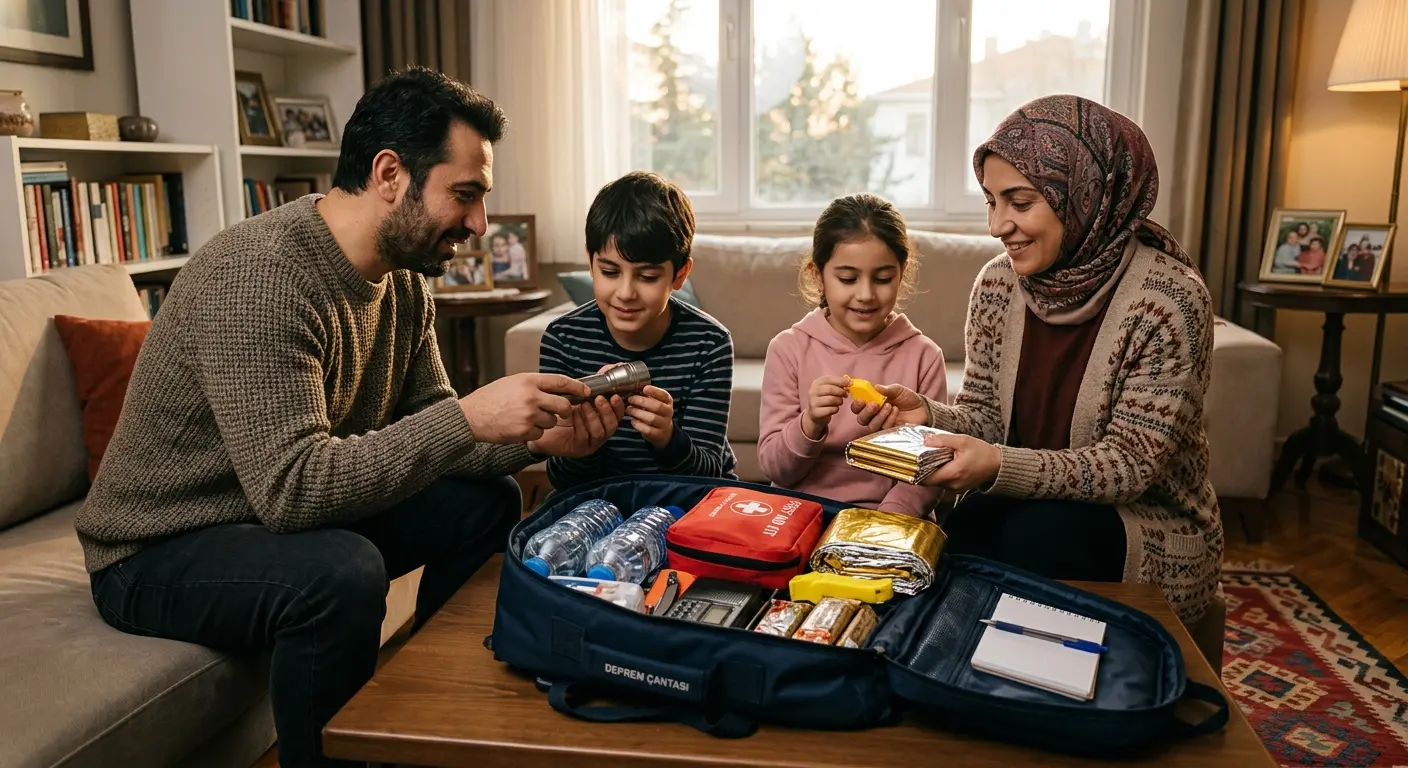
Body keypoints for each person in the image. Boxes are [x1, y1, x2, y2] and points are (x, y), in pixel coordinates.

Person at [74, 66, 623, 768]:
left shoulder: (400, 282)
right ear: (390, 173)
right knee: (341, 571)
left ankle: (435, 720)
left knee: (486, 500)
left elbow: (433, 431)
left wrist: (535, 436)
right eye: (466, 195)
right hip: (158, 548)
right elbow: (294, 490)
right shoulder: (260, 279)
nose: (480, 224)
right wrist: (470, 418)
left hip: (258, 518)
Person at [852, 94, 1223, 623]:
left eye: (1020, 203)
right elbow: (985, 418)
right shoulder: (998, 285)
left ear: (1084, 195)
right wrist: (928, 415)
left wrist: (998, 464)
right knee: (961, 531)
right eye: (991, 201)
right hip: (1032, 504)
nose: (997, 225)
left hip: (1146, 523)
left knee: (1027, 540)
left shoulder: (1168, 301)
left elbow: (1128, 467)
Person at [538, 171, 737, 491]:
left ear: (680, 274)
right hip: (596, 496)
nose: (626, 292)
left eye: (646, 277)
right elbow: (561, 477)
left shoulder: (708, 343)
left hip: (683, 497)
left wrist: (667, 439)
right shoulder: (563, 339)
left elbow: (708, 474)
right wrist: (586, 444)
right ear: (591, 264)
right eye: (610, 272)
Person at [758, 194, 946, 518]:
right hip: (801, 516)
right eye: (847, 279)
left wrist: (880, 524)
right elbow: (776, 468)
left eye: (883, 278)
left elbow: (931, 474)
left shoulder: (924, 356)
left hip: (891, 519)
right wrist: (809, 423)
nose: (866, 294)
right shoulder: (788, 349)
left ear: (902, 273)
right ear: (818, 275)